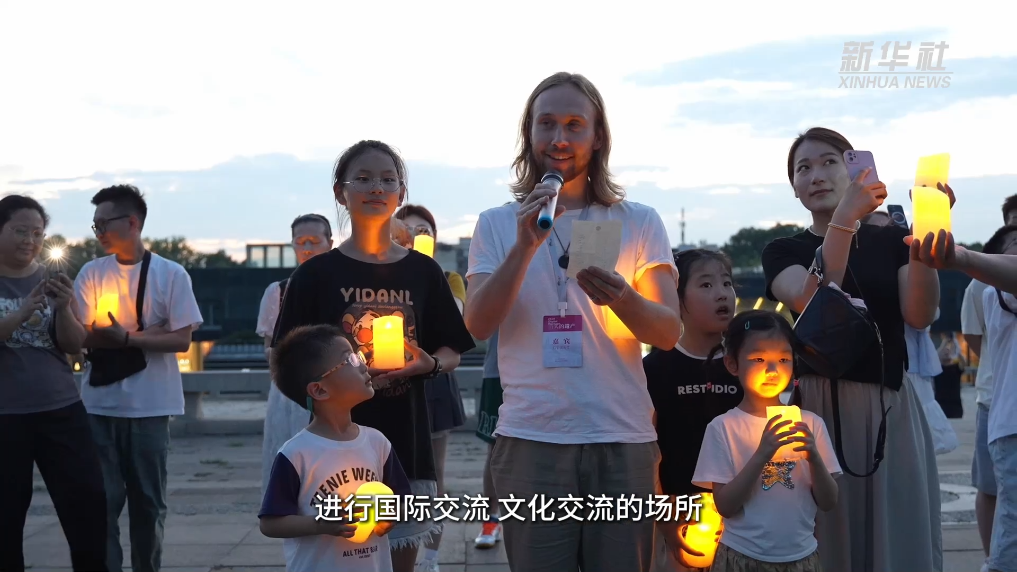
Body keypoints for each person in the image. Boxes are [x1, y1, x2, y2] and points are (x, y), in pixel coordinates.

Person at [465, 72, 682, 572]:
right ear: (529, 134)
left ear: (598, 136)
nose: (559, 138)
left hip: (622, 437)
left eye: (574, 125)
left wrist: (622, 297)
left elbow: (668, 333)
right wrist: (524, 247)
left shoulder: (638, 220)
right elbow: (477, 325)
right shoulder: (496, 223)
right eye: (546, 124)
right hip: (530, 439)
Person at [272, 140, 476, 572]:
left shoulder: (424, 272)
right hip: (334, 450)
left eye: (388, 179)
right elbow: (285, 362)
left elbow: (451, 350)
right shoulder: (314, 275)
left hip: (405, 438)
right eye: (362, 179)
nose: (376, 188)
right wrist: (328, 408)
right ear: (340, 192)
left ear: (400, 193)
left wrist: (430, 364)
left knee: (399, 563)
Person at [761, 127, 943, 572]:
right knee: (826, 533)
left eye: (830, 162)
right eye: (803, 168)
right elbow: (811, 298)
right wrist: (845, 218)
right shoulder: (784, 249)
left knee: (894, 531)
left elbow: (919, 314)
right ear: (794, 188)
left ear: (855, 171)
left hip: (887, 402)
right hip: (817, 404)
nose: (816, 175)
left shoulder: (891, 241)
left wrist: (926, 236)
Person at [74, 184, 204, 572]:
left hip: (152, 406)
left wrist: (128, 338)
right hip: (99, 405)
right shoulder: (91, 272)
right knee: (101, 501)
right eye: (94, 225)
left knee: (149, 503)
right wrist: (151, 332)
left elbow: (181, 339)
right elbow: (79, 334)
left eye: (104, 223)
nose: (98, 232)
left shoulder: (170, 274)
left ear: (132, 223)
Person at [0, 196, 107, 571]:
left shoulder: (54, 280)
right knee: (6, 515)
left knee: (87, 505)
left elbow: (75, 345)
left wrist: (63, 308)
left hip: (61, 409)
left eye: (37, 233)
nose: (29, 240)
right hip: (6, 416)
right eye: (20, 231)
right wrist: (21, 313)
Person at [692, 310, 840, 572]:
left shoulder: (810, 423)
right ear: (732, 364)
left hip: (801, 556)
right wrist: (762, 453)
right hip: (742, 556)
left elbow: (828, 501)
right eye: (758, 359)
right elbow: (725, 506)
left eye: (783, 359)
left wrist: (815, 458)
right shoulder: (723, 428)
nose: (772, 370)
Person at [259, 324, 412, 572]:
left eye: (358, 355)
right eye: (350, 359)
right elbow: (270, 523)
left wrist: (389, 515)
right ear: (319, 389)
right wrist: (321, 524)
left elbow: (403, 500)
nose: (363, 364)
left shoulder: (377, 442)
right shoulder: (296, 454)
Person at [642, 249, 743, 572]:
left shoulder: (747, 366)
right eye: (706, 285)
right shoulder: (655, 368)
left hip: (743, 513)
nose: (722, 294)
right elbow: (648, 452)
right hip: (681, 515)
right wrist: (665, 517)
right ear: (676, 299)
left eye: (726, 283)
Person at [393, 203, 469, 572]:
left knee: (433, 473)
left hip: (435, 379)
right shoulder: (382, 276)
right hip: (389, 383)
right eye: (409, 230)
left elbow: (451, 322)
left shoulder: (448, 278)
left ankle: (431, 556)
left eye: (425, 231)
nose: (417, 236)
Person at [861, 211, 958, 453]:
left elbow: (927, 316)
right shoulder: (865, 276)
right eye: (877, 231)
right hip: (883, 371)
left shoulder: (910, 270)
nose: (886, 235)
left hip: (914, 369)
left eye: (891, 229)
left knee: (920, 446)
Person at [258, 213, 335, 498]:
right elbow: (269, 347)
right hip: (290, 392)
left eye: (314, 241)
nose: (307, 248)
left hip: (336, 386)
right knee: (291, 464)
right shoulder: (278, 292)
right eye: (300, 242)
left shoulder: (341, 288)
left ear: (330, 243)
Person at [960, 228, 1017, 570]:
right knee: (1011, 533)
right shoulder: (998, 292)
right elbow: (973, 338)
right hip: (1011, 425)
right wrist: (963, 257)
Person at [472, 329, 503, 550]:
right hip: (499, 370)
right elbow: (478, 328)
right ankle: (491, 519)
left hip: (552, 370)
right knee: (496, 449)